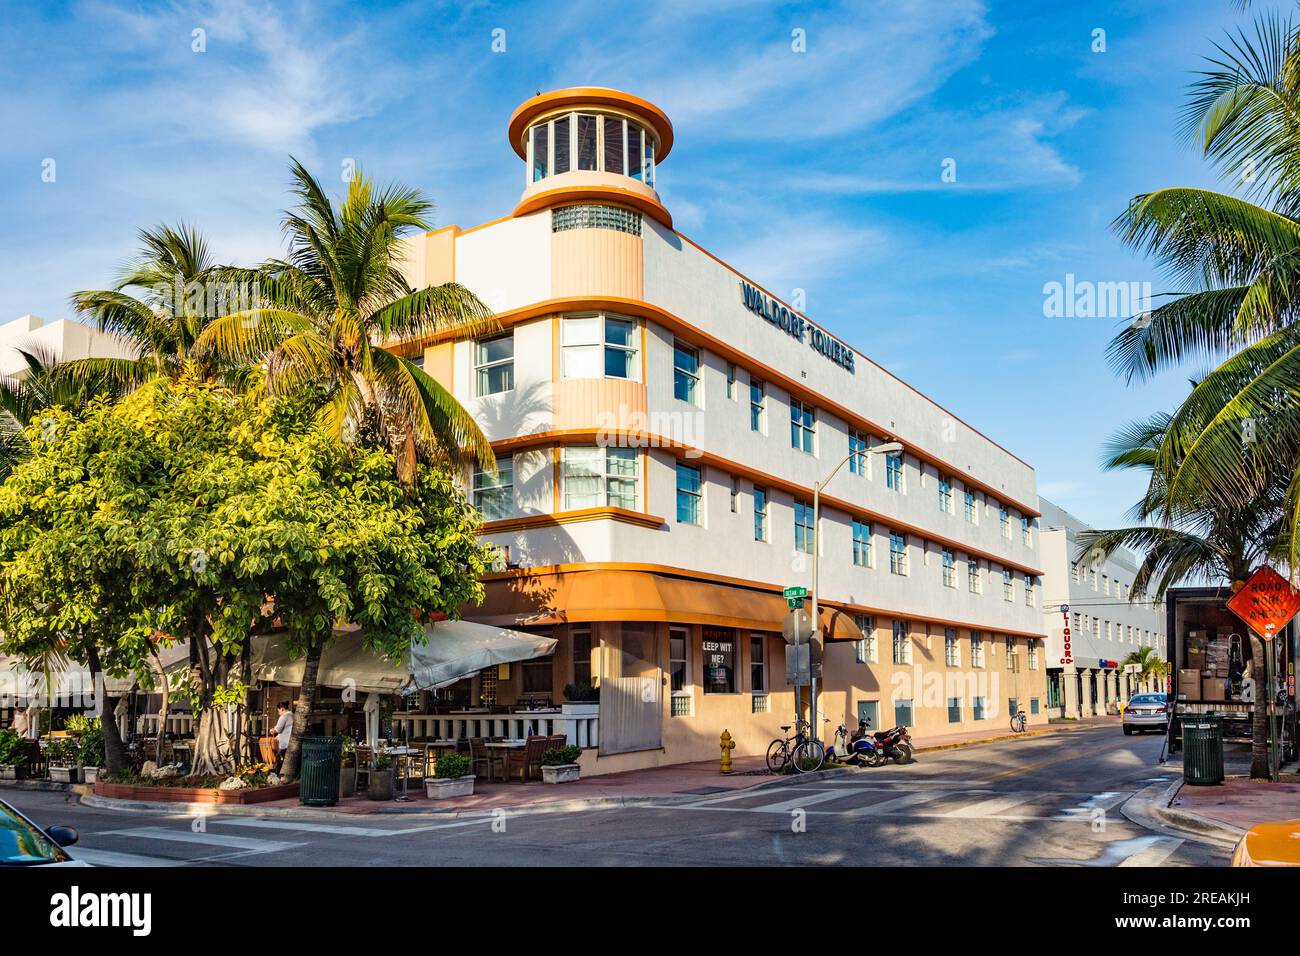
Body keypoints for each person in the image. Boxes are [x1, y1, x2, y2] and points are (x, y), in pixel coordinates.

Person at [272, 701, 293, 772]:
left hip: (285, 743)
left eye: (278, 711)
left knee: (284, 762)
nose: (278, 713)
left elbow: (278, 729)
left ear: (282, 709)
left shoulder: (284, 717)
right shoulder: (292, 715)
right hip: (291, 742)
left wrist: (272, 730)